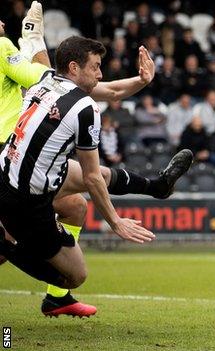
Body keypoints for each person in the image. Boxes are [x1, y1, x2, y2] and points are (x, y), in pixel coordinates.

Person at [0, 5, 193, 318]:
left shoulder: (47, 79)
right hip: (25, 201)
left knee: (78, 203)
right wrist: (115, 222)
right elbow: (91, 179)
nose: (101, 74)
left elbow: (112, 89)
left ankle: (158, 186)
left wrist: (142, 80)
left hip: (7, 173)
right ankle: (7, 245)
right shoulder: (85, 108)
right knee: (76, 275)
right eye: (96, 67)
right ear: (74, 69)